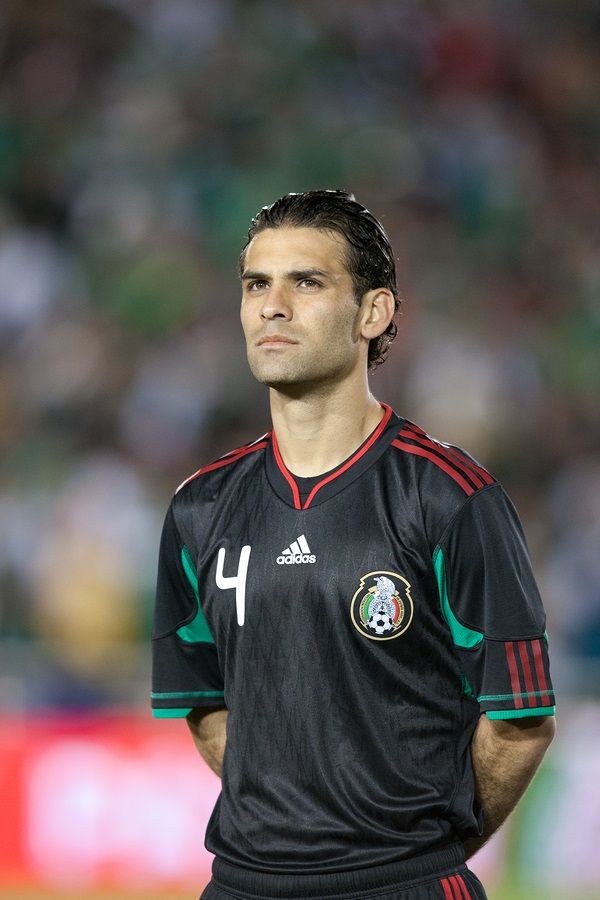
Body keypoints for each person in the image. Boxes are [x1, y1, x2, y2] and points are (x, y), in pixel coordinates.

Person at [151, 190, 555, 900]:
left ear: (374, 312)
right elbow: (203, 699)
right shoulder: (199, 508)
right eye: (256, 284)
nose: (272, 306)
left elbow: (520, 723)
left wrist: (418, 854)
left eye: (306, 282)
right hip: (242, 885)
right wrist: (292, 823)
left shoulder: (450, 497)